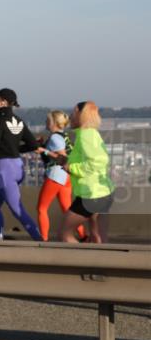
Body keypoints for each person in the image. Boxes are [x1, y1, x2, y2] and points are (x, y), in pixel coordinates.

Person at [0, 88, 43, 241]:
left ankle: (40, 241)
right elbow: (33, 144)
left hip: (5, 170)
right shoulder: (19, 121)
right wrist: (15, 149)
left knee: (17, 210)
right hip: (17, 167)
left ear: (3, 102)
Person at [61, 101, 115, 244]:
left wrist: (71, 168)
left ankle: (80, 264)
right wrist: (67, 161)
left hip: (91, 195)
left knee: (65, 234)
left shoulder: (86, 135)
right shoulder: (91, 133)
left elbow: (97, 162)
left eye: (73, 113)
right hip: (101, 193)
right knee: (98, 237)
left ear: (81, 115)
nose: (70, 117)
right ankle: (102, 264)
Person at [36, 110, 84, 242]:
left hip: (56, 175)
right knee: (68, 209)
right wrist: (42, 145)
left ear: (55, 123)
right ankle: (83, 235)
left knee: (42, 208)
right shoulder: (64, 136)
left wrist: (43, 150)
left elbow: (63, 158)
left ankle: (43, 240)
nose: (46, 122)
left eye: (48, 120)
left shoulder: (55, 138)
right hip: (66, 176)